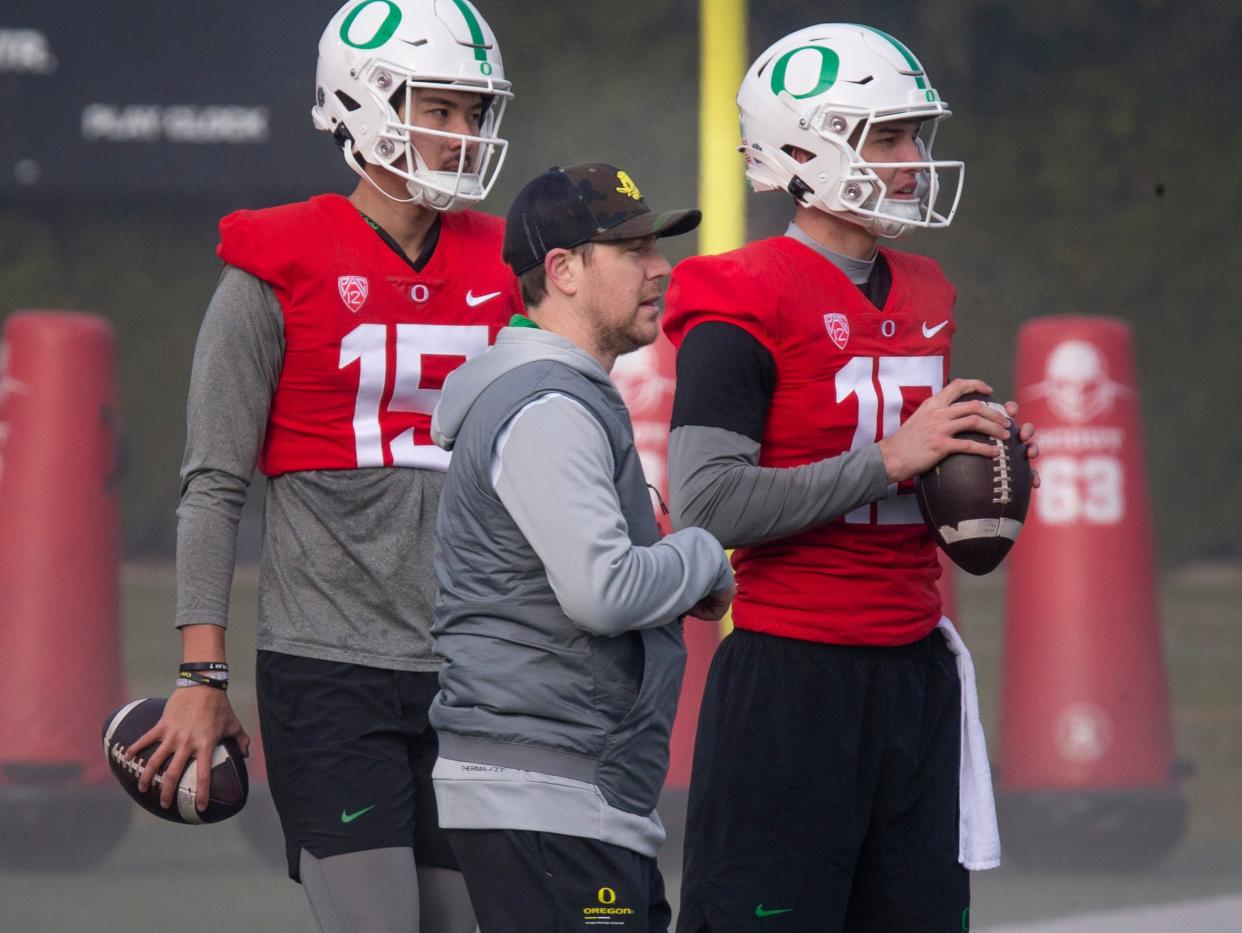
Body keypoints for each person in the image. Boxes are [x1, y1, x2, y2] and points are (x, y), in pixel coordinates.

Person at [128, 2, 519, 931]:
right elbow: (214, 482)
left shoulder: (512, 265)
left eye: (474, 112)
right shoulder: (276, 264)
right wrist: (202, 675)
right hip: (330, 665)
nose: (464, 136)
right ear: (365, 102)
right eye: (441, 108)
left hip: (475, 666)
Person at [663, 25, 1039, 933]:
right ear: (802, 147)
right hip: (793, 678)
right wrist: (891, 458)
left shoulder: (923, 290)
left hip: (913, 673)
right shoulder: (740, 295)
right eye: (887, 137)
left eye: (916, 135)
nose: (914, 162)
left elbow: (920, 478)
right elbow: (708, 503)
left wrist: (983, 465)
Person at [427, 163, 736, 932]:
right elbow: (602, 590)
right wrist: (703, 555)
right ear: (561, 269)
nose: (659, 266)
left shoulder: (554, 394)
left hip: (560, 793)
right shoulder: (550, 405)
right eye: (631, 247)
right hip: (549, 794)